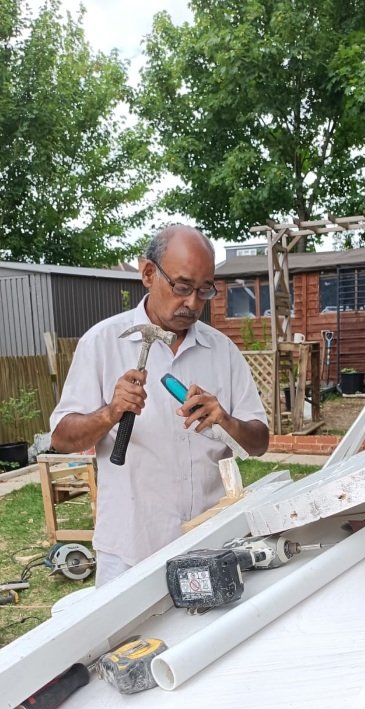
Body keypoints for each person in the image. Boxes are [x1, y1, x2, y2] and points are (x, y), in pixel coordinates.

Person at [50, 224, 269, 585]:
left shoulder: (223, 351)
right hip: (130, 550)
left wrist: (226, 421)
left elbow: (259, 443)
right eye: (182, 287)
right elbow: (61, 438)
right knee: (130, 642)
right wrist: (109, 413)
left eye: (204, 290)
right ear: (148, 273)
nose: (193, 303)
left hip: (209, 542)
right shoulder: (102, 343)